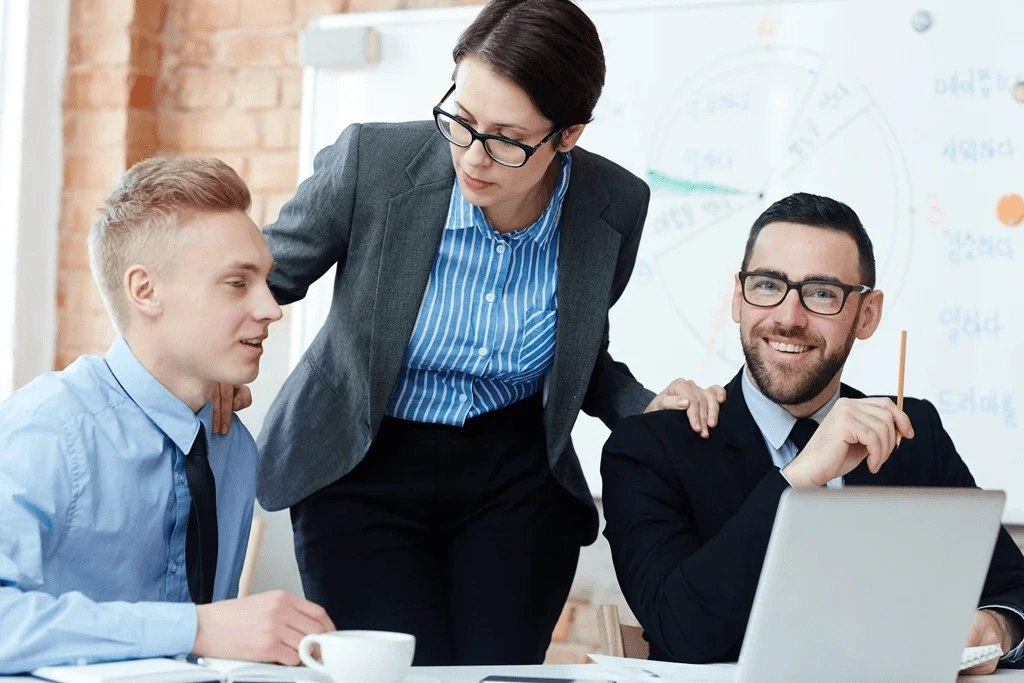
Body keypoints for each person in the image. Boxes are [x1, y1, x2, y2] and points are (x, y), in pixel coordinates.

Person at [238, 0, 725, 666]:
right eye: (461, 121)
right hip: (365, 460)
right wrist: (208, 370)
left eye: (505, 137)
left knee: (497, 674)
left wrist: (642, 403)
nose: (473, 155)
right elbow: (263, 278)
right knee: (395, 675)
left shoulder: (612, 205)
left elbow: (581, 352)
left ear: (567, 136)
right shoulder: (374, 165)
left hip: (514, 476)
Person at [601, 192, 1024, 673]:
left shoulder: (911, 432)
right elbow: (680, 631)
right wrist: (797, 479)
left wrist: (996, 627)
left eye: (822, 293)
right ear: (738, 299)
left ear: (867, 315)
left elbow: (1015, 589)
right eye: (767, 286)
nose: (788, 317)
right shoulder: (650, 448)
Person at [0, 158, 334, 673]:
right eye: (236, 283)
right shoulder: (49, 430)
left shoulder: (232, 449)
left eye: (265, 280)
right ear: (145, 291)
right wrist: (197, 627)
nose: (271, 308)